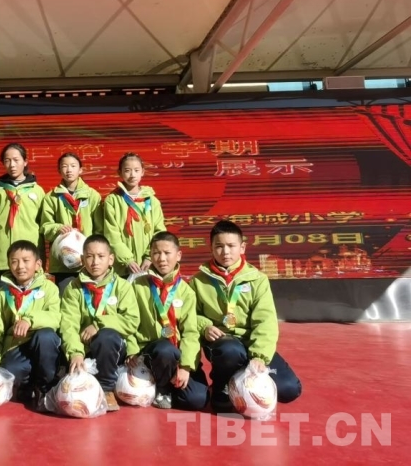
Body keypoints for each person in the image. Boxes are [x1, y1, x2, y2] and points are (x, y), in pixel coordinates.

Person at [191, 220, 302, 413]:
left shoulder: (258, 280)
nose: (225, 252)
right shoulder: (198, 281)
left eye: (231, 246)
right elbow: (190, 314)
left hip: (251, 342)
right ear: (211, 248)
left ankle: (242, 374)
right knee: (230, 350)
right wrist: (204, 326)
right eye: (219, 246)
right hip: (221, 343)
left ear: (242, 247)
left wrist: (259, 356)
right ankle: (221, 386)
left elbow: (265, 321)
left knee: (289, 389)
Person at [127, 232, 208, 410]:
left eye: (167, 253)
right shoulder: (138, 286)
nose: (161, 259)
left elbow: (190, 332)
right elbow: (129, 321)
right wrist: (132, 349)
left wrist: (186, 366)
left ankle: (169, 382)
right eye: (156, 253)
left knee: (197, 400)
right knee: (165, 349)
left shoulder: (186, 291)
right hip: (149, 353)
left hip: (177, 355)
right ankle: (163, 389)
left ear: (178, 255)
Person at [60, 234, 139, 411]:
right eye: (89, 256)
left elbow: (131, 321)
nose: (95, 262)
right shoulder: (73, 288)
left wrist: (98, 324)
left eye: (101, 256)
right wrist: (75, 352)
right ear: (82, 260)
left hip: (113, 348)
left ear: (111, 259)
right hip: (84, 347)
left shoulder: (123, 286)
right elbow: (68, 323)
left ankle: (106, 388)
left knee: (106, 336)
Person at [0, 240, 61, 411]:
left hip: (42, 345)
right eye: (14, 261)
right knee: (9, 373)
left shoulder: (50, 289)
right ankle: (27, 385)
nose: (20, 266)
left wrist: (29, 320)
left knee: (46, 335)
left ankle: (45, 387)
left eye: (26, 261)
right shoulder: (1, 295)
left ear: (38, 264)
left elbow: (55, 318)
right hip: (15, 347)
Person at [40, 152, 103, 286]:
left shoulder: (92, 195)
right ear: (59, 170)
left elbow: (99, 229)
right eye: (64, 166)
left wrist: (96, 252)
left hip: (89, 260)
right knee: (65, 294)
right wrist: (58, 228)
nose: (69, 170)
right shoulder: (51, 197)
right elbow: (45, 226)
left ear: (80, 170)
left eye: (73, 166)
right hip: (63, 261)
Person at [103, 152, 166, 277]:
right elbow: (111, 234)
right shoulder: (112, 200)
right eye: (127, 170)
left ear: (142, 172)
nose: (132, 175)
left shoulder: (152, 201)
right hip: (122, 267)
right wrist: (127, 260)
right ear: (119, 173)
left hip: (149, 265)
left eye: (136, 170)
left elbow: (159, 231)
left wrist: (149, 256)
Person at [0, 143, 45, 275]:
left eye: (16, 160)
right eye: (7, 161)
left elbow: (43, 226)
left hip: (29, 259)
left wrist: (41, 258)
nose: (12, 165)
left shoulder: (38, 191)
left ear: (25, 162)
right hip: (2, 259)